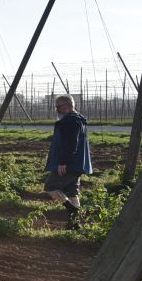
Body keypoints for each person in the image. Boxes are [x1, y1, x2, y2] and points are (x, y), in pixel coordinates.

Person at [44, 94, 93, 229]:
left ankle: (74, 211)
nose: (57, 110)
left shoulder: (69, 121)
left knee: (50, 187)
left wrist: (62, 162)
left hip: (69, 164)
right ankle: (75, 224)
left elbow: (71, 143)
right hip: (77, 164)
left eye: (58, 107)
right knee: (72, 192)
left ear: (66, 106)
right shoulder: (79, 120)